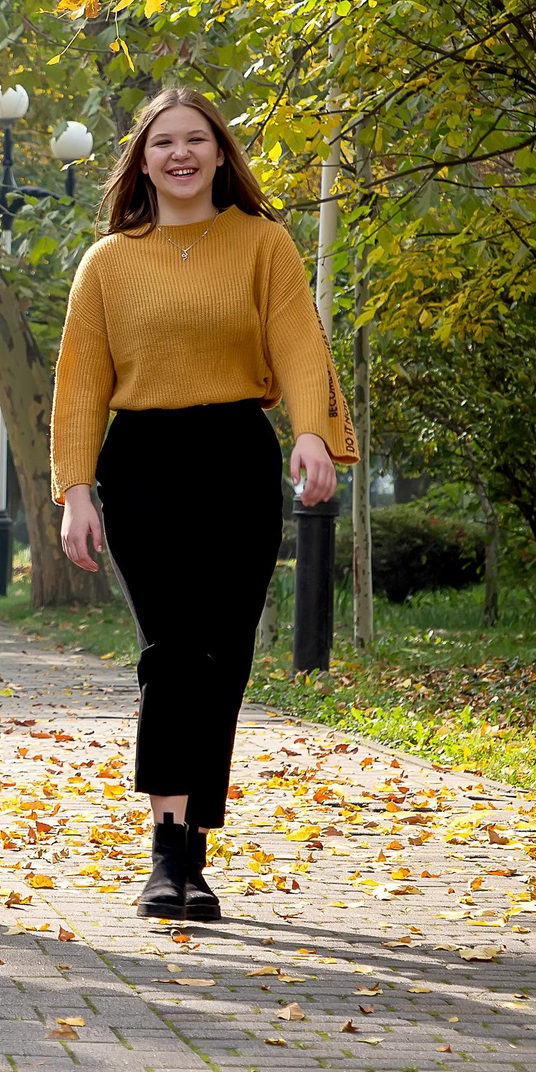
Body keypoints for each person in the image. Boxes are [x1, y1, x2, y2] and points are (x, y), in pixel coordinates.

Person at [51, 87, 354, 922]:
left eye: (195, 140)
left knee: (222, 654)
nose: (179, 155)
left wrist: (311, 433)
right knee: (171, 652)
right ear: (141, 161)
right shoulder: (107, 261)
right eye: (162, 143)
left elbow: (298, 342)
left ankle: (197, 851)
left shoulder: (264, 244)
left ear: (221, 154)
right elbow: (80, 383)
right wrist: (75, 490)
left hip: (235, 458)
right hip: (143, 462)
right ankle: (167, 849)